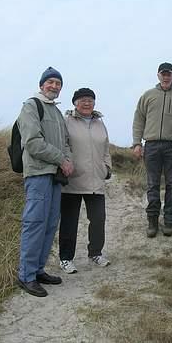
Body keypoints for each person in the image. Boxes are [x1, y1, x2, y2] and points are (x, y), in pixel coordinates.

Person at [16, 67, 74, 297]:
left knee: (50, 224)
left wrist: (67, 159)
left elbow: (66, 142)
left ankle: (38, 270)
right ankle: (26, 275)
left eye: (58, 83)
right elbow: (32, 142)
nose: (54, 86)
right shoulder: (31, 106)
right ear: (42, 85)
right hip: (38, 174)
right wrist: (61, 159)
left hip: (55, 176)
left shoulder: (57, 113)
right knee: (35, 223)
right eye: (50, 82)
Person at [132, 62, 172, 238]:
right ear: (158, 75)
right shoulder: (148, 95)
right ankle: (152, 221)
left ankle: (169, 220)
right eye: (163, 74)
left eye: (169, 74)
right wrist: (137, 143)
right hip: (151, 145)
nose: (166, 76)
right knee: (152, 184)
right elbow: (139, 119)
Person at [58, 88, 112, 273]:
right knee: (69, 222)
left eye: (90, 100)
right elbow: (62, 145)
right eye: (82, 100)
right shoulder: (66, 121)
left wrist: (107, 167)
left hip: (96, 179)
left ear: (94, 103)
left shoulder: (99, 123)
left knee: (98, 219)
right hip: (72, 179)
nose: (86, 103)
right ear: (75, 103)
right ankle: (65, 258)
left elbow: (105, 148)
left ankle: (95, 253)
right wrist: (66, 164)